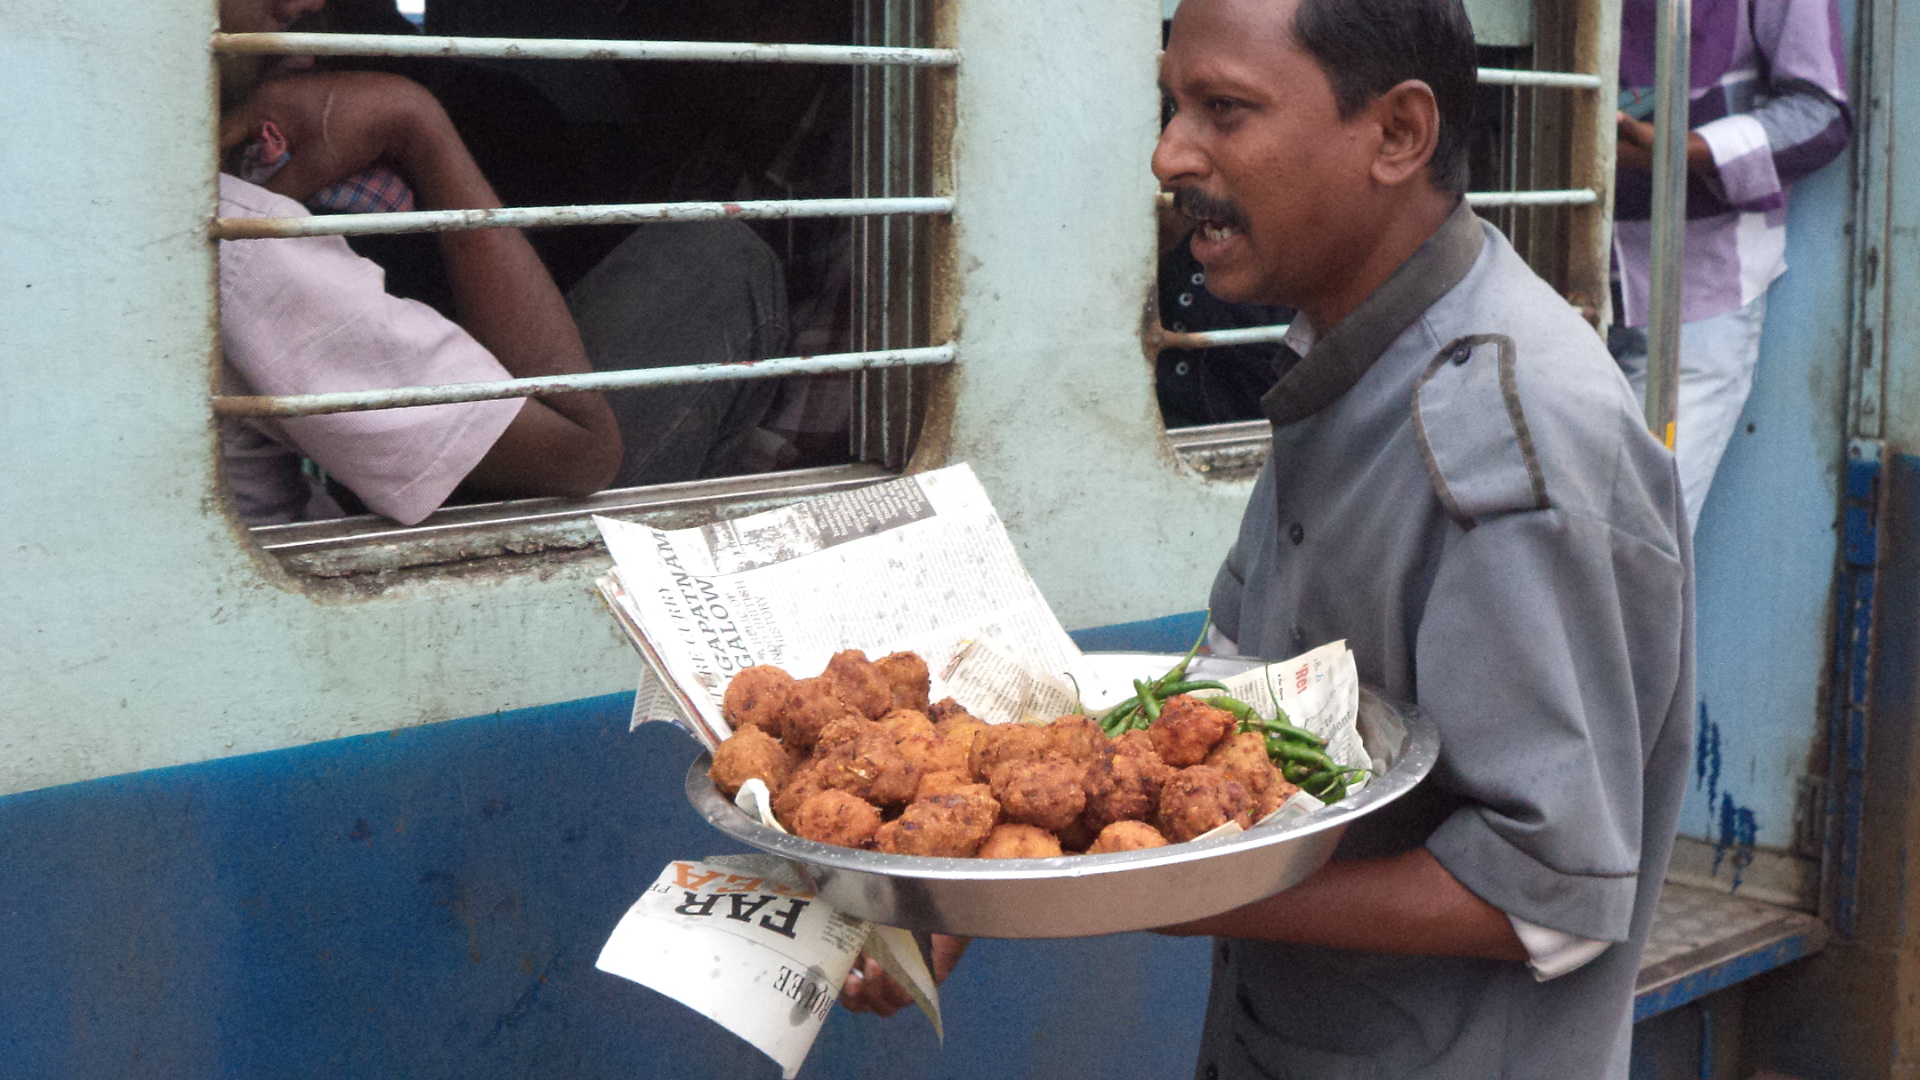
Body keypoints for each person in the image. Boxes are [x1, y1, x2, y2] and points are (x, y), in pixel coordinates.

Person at [843, 2, 1695, 1077]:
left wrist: (1159, 889)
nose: (1170, 152)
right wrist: (988, 870)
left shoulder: (1509, 437)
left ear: (1397, 134)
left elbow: (1546, 893)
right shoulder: (1348, 368)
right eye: (1172, 102)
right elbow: (1226, 712)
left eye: (1225, 111)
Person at [214, 0, 789, 525]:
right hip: (371, 588)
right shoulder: (240, 243)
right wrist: (416, 124)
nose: (310, 5)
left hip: (344, 504)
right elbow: (583, 454)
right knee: (716, 261)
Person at [1611, 0, 1850, 533]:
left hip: (1692, 300)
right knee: (1549, 550)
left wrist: (1682, 150)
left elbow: (1821, 113)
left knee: (1634, 551)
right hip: (1552, 287)